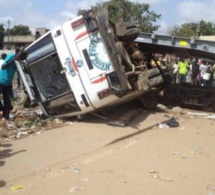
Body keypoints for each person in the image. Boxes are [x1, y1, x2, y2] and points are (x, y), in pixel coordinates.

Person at [0, 51, 28, 120]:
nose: (21, 60)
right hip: (1, 81)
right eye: (21, 58)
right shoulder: (11, 56)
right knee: (5, 101)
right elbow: (3, 67)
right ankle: (2, 109)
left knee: (7, 100)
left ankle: (6, 116)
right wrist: (13, 60)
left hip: (8, 83)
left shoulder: (18, 61)